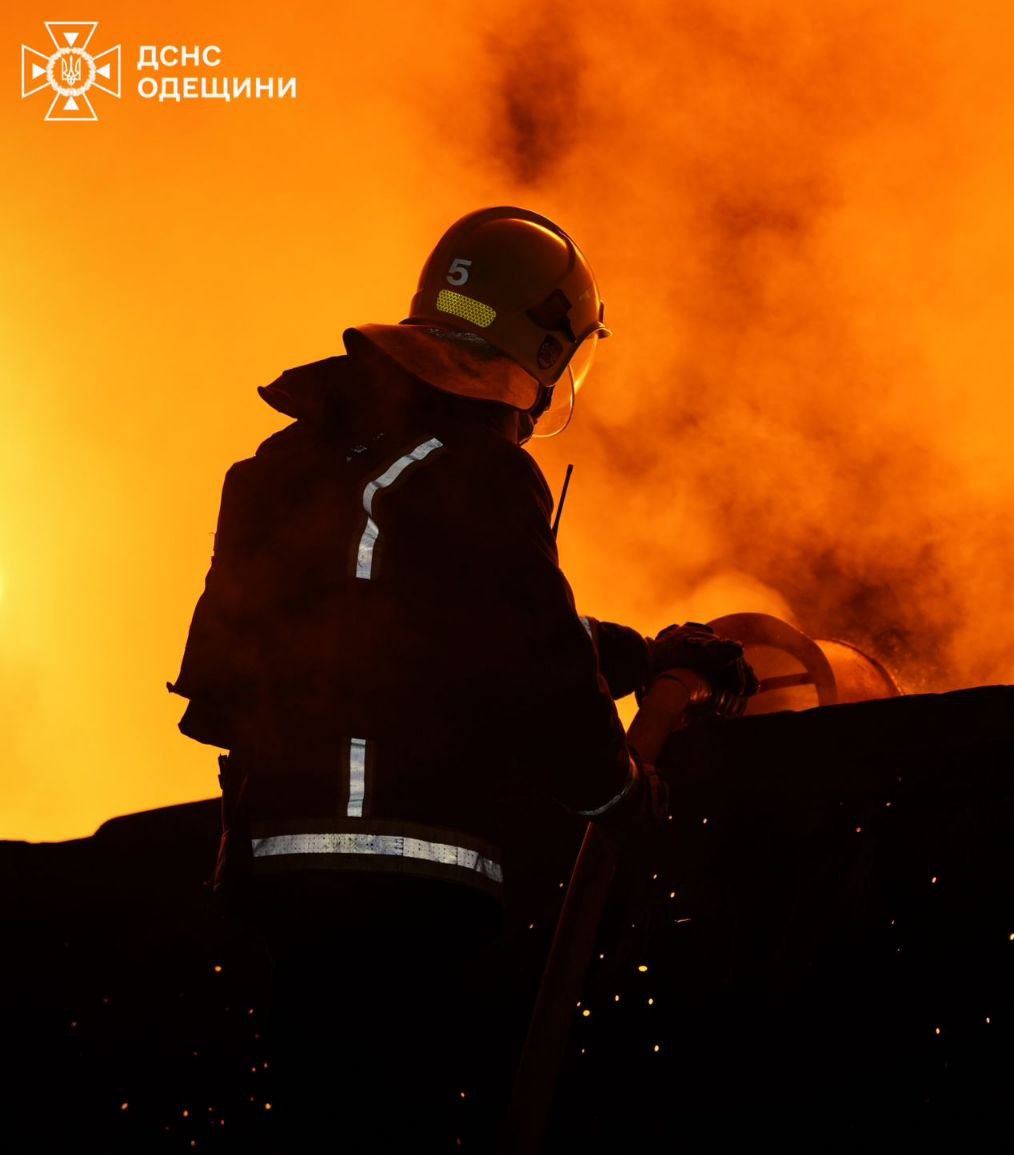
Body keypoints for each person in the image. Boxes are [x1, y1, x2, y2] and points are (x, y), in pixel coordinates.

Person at [167, 206, 753, 1150]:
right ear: (550, 343)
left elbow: (431, 632)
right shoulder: (475, 465)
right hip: (397, 888)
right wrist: (618, 790)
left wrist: (644, 657)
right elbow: (526, 658)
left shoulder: (307, 456)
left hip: (275, 874)